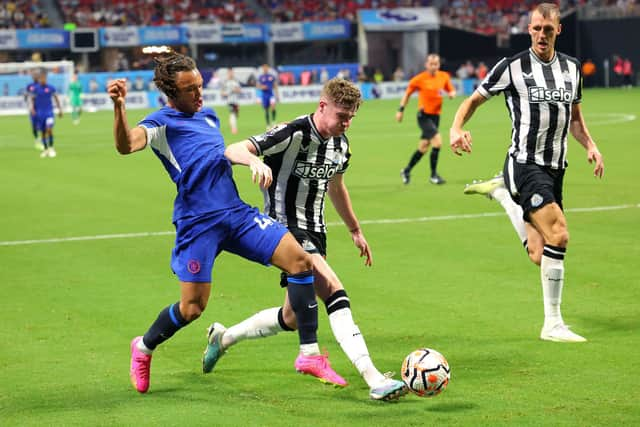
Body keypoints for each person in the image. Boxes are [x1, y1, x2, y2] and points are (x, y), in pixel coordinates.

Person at [107, 50, 344, 394]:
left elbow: (229, 151)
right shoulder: (160, 124)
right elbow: (127, 145)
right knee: (192, 308)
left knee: (300, 260)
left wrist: (252, 162)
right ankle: (143, 347)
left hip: (235, 214)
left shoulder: (210, 116)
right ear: (172, 95)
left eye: (200, 85)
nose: (199, 94)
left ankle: (309, 354)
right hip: (197, 224)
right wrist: (119, 108)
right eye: (191, 90)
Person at [201, 78, 407, 401]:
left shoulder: (341, 145)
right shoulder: (292, 132)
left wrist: (354, 229)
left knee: (292, 317)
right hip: (284, 230)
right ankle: (374, 377)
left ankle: (223, 339)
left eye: (351, 117)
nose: (346, 122)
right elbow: (233, 149)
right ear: (322, 106)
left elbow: (336, 187)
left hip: (316, 231)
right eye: (342, 115)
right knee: (334, 290)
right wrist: (254, 160)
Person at [450, 3, 605, 343]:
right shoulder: (512, 66)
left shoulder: (572, 69)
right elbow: (473, 99)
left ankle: (503, 194)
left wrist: (590, 146)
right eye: (536, 29)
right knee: (560, 235)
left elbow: (575, 119)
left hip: (556, 167)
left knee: (541, 254)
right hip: (525, 163)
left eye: (547, 30)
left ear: (558, 30)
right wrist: (456, 127)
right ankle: (552, 324)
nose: (541, 35)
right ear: (529, 29)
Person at [397, 53, 456, 185]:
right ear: (426, 64)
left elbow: (450, 89)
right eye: (431, 64)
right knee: (438, 142)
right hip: (423, 116)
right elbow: (407, 95)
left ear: (439, 64)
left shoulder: (444, 76)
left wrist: (452, 93)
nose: (434, 66)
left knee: (423, 147)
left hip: (436, 116)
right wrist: (400, 110)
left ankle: (406, 170)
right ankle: (433, 175)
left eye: (436, 64)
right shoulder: (419, 79)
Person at [30, 69, 63, 158]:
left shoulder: (51, 88)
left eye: (44, 78)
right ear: (39, 79)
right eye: (41, 78)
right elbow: (32, 99)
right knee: (43, 132)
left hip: (49, 113)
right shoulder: (36, 89)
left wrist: (60, 109)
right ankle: (45, 149)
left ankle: (51, 148)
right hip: (40, 114)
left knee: (49, 129)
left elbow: (56, 98)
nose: (43, 80)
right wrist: (32, 108)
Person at [24, 69, 42, 150]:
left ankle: (42, 139)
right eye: (33, 75)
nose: (34, 76)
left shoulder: (41, 85)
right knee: (34, 125)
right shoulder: (29, 86)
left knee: (42, 124)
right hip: (32, 108)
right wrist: (26, 100)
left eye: (36, 75)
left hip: (41, 108)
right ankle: (36, 139)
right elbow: (26, 95)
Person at [257, 63, 279, 128]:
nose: (265, 69)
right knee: (266, 109)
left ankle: (274, 121)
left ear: (268, 68)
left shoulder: (271, 76)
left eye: (266, 67)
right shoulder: (261, 77)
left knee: (273, 107)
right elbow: (258, 86)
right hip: (264, 95)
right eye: (264, 67)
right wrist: (262, 87)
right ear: (263, 68)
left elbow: (275, 85)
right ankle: (268, 124)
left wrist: (277, 94)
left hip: (271, 95)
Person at [220, 68, 242, 134]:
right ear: (228, 73)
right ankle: (234, 129)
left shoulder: (236, 81)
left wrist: (236, 90)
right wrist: (226, 93)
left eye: (232, 72)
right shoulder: (225, 82)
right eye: (229, 73)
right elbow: (222, 93)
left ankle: (232, 124)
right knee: (232, 113)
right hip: (230, 101)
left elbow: (239, 90)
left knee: (236, 114)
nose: (231, 74)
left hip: (236, 101)